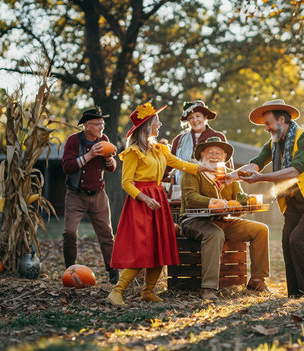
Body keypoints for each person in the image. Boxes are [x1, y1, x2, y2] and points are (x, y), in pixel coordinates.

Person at [107, 102, 215, 306]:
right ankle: (117, 291)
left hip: (158, 200)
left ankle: (148, 291)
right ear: (148, 124)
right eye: (157, 120)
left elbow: (181, 164)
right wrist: (145, 198)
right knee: (142, 250)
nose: (161, 123)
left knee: (159, 247)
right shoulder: (133, 152)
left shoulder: (160, 149)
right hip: (141, 203)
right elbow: (126, 183)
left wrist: (205, 167)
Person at [228, 99, 304, 298]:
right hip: (294, 201)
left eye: (268, 123)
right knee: (287, 242)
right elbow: (256, 164)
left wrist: (262, 178)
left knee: (297, 241)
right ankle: (296, 294)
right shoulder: (274, 144)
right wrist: (232, 176)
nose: (266, 128)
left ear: (282, 119)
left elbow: (295, 170)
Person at [180, 137, 270, 300]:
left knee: (261, 230)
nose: (214, 156)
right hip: (194, 221)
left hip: (223, 221)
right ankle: (208, 288)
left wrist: (245, 204)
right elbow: (190, 197)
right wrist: (212, 202)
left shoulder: (229, 177)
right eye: (210, 153)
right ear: (201, 155)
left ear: (224, 158)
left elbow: (239, 198)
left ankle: (257, 280)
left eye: (218, 154)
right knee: (215, 234)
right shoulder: (193, 172)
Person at [61, 108, 119, 284]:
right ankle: (70, 270)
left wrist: (109, 158)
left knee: (106, 234)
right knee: (69, 232)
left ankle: (112, 270)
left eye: (103, 124)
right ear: (86, 126)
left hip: (98, 195)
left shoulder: (104, 140)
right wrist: (90, 154)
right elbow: (67, 167)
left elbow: (111, 168)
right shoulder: (73, 140)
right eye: (97, 124)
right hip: (75, 194)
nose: (102, 127)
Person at [167, 100, 232, 186]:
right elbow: (170, 164)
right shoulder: (179, 140)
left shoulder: (218, 137)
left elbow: (227, 165)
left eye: (198, 116)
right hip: (184, 186)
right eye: (191, 117)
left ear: (205, 117)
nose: (195, 120)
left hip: (211, 186)